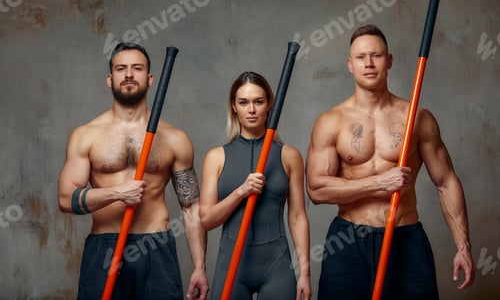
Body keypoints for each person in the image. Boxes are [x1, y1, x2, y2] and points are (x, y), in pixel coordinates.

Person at [306, 24, 475, 300]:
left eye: (377, 55)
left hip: (405, 238)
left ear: (390, 60)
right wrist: (378, 182)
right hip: (348, 242)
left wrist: (463, 245)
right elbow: (316, 190)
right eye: (360, 57)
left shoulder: (417, 118)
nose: (369, 64)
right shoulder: (331, 122)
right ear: (350, 64)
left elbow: (446, 182)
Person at [58, 42, 209, 300]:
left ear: (150, 79)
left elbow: (190, 207)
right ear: (110, 78)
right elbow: (65, 199)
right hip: (104, 248)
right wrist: (116, 193)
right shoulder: (86, 136)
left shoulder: (175, 138)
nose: (129, 74)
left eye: (137, 68)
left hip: (155, 245)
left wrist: (199, 266)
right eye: (121, 69)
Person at [199, 71, 312, 300]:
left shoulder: (289, 156)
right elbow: (207, 219)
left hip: (277, 266)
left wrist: (305, 273)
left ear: (269, 104)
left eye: (258, 102)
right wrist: (241, 191)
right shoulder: (216, 157)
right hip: (232, 266)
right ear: (234, 106)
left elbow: (298, 216)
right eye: (244, 102)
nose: (251, 110)